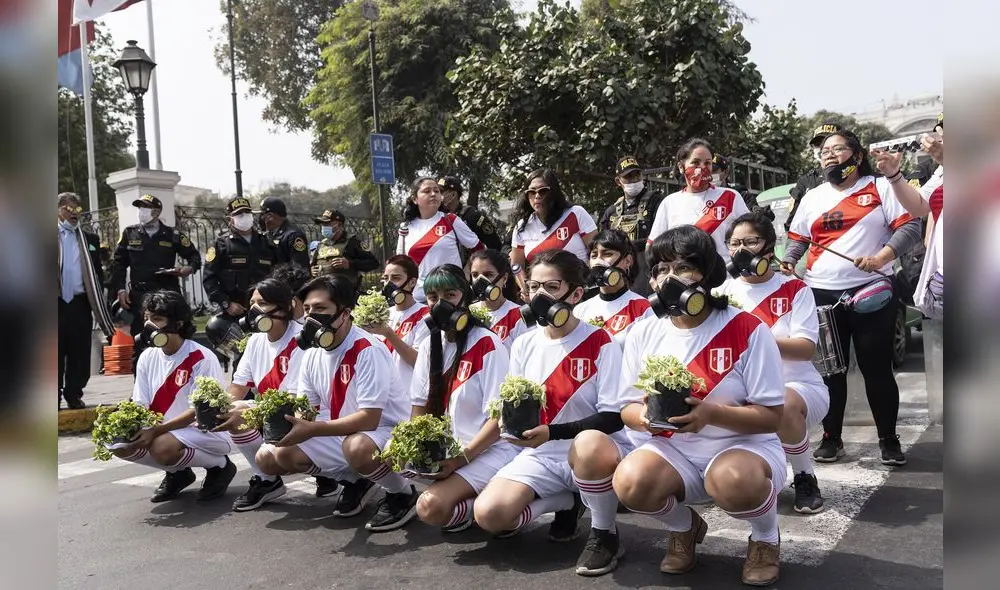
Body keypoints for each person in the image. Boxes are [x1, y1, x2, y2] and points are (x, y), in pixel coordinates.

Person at [613, 226, 786, 586]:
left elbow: (772, 417)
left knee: (732, 479)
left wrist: (711, 415)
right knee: (629, 481)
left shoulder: (747, 329)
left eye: (682, 267)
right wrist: (644, 418)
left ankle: (766, 538)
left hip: (743, 448)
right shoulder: (644, 331)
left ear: (706, 273)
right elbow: (626, 407)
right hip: (674, 451)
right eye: (660, 270)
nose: (668, 278)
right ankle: (684, 528)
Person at [474, 249, 631, 578]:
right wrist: (512, 428)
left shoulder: (601, 341)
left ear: (575, 294)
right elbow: (514, 401)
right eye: (533, 287)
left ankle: (604, 533)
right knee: (490, 515)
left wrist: (553, 433)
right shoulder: (524, 343)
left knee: (588, 444)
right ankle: (566, 501)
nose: (539, 295)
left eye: (552, 287)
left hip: (593, 452)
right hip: (541, 453)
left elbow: (613, 416)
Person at [781, 128, 923, 466]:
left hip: (872, 290)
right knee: (830, 371)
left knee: (877, 368)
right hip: (821, 292)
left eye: (838, 149)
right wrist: (788, 260)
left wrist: (882, 258)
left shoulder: (880, 187)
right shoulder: (812, 196)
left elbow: (911, 228)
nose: (829, 155)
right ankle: (831, 438)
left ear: (856, 156)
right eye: (824, 151)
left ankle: (888, 439)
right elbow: (799, 238)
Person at [256, 275, 417, 532]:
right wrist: (293, 423)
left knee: (357, 448)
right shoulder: (312, 353)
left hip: (385, 430)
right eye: (307, 309)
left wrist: (311, 429)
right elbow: (307, 405)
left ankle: (401, 492)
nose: (311, 317)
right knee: (278, 455)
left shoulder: (368, 349)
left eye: (321, 309)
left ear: (345, 313)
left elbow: (369, 419)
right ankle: (356, 480)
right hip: (341, 429)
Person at [719, 213, 830, 514]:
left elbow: (805, 349)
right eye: (735, 243)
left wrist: (754, 337)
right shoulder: (721, 294)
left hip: (797, 387)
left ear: (769, 247)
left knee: (782, 401)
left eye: (751, 241)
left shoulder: (795, 289)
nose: (742, 249)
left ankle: (805, 476)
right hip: (744, 393)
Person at [399, 265, 517, 533]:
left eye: (450, 294)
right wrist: (411, 448)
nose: (440, 303)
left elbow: (499, 420)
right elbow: (420, 406)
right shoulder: (431, 343)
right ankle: (465, 494)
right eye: (432, 297)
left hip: (489, 449)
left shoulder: (487, 343)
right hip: (450, 451)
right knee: (389, 457)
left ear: (465, 296)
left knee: (430, 508)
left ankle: (491, 501)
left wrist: (459, 460)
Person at [106, 290, 237, 503]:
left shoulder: (201, 357)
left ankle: (220, 467)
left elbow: (200, 411)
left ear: (178, 323)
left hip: (207, 431)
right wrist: (127, 425)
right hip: (167, 431)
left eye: (157, 319)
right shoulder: (147, 356)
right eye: (147, 319)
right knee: (116, 444)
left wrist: (157, 431)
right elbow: (141, 402)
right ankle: (179, 473)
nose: (149, 326)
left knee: (161, 447)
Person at [210, 279, 305, 512]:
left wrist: (248, 411)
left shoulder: (303, 339)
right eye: (252, 303)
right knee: (231, 412)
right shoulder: (255, 341)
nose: (253, 310)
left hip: (303, 413)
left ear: (282, 308)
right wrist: (218, 409)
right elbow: (238, 387)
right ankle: (266, 480)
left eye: (262, 303)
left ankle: (348, 478)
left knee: (241, 413)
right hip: (271, 414)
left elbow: (299, 398)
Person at [109, 193, 201, 369]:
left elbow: (194, 257)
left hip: (167, 293)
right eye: (140, 208)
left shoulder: (172, 235)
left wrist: (187, 269)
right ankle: (140, 389)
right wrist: (120, 289)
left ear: (157, 211)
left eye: (146, 208)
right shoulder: (130, 233)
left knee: (173, 337)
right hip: (140, 295)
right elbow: (118, 265)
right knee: (141, 342)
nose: (141, 212)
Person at [647, 138, 751, 265]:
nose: (702, 168)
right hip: (684, 278)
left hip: (726, 278)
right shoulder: (669, 202)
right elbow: (652, 246)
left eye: (707, 163)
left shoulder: (730, 196)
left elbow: (750, 235)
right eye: (695, 162)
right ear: (681, 166)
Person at [58, 192, 111, 409]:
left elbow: (97, 272)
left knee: (79, 351)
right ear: (59, 210)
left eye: (77, 209)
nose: (74, 214)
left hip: (79, 304)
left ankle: (74, 393)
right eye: (69, 209)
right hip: (55, 302)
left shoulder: (90, 239)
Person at [510, 169, 598, 298]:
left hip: (581, 292)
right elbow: (516, 265)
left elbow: (597, 252)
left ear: (554, 192)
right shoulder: (521, 227)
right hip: (544, 298)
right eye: (531, 192)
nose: (537, 196)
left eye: (543, 191)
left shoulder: (576, 213)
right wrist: (526, 289)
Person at [396, 177, 484, 302]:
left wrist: (467, 271)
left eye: (436, 191)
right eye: (427, 191)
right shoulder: (406, 227)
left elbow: (478, 248)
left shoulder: (451, 220)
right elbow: (400, 263)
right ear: (415, 199)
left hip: (452, 295)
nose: (433, 194)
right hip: (419, 297)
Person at [574, 229, 654, 348]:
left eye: (607, 254)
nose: (598, 261)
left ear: (627, 261)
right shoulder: (580, 310)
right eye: (594, 255)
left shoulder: (645, 309)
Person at [202, 197, 278, 320]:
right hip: (234, 311)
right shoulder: (221, 244)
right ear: (230, 219)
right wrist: (226, 304)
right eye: (239, 214)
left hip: (264, 310)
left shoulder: (266, 243)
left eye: (247, 213)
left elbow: (277, 274)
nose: (245, 217)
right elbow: (209, 279)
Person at [599, 156, 664, 296]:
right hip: (620, 272)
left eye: (637, 175)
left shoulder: (656, 202)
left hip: (649, 271)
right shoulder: (611, 212)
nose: (634, 180)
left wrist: (629, 246)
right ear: (618, 181)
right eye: (628, 177)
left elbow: (661, 237)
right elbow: (602, 244)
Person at [365, 255, 431, 388]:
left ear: (412, 282)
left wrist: (389, 334)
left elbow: (419, 361)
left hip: (410, 394)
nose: (388, 284)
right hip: (382, 394)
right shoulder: (382, 313)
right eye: (385, 279)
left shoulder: (425, 314)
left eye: (396, 278)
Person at [469, 249, 532, 351]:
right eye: (475, 275)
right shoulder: (468, 312)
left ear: (504, 278)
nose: (480, 281)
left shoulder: (521, 314)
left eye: (488, 275)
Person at [785, 122, 843, 232]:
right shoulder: (806, 181)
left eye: (826, 142)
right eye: (818, 144)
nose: (822, 148)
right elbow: (793, 226)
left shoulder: (859, 177)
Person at [309, 208, 379, 291]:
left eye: (327, 223)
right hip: (323, 292)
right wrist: (311, 271)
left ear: (339, 225)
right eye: (322, 224)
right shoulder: (321, 245)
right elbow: (311, 266)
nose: (324, 227)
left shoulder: (352, 242)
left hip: (345, 293)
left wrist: (350, 264)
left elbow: (373, 263)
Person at [438, 176, 503, 251]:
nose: (438, 195)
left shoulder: (473, 216)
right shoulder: (438, 216)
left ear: (453, 194)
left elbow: (494, 246)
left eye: (441, 192)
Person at [255, 196, 310, 269]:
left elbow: (300, 268)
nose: (261, 218)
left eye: (262, 215)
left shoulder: (293, 236)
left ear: (270, 216)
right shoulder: (272, 234)